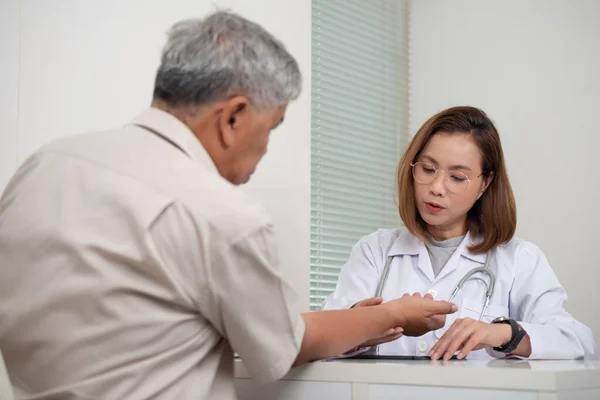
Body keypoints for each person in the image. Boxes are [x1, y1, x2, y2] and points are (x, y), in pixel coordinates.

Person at [0, 11, 458, 400]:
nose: (264, 149)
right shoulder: (219, 213)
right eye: (272, 127)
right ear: (234, 117)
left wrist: (357, 321)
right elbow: (284, 346)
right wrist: (393, 314)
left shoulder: (45, 165)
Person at [322, 106, 597, 361]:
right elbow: (325, 337)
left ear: (485, 183)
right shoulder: (376, 250)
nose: (437, 187)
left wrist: (502, 333)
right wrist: (385, 319)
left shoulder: (519, 260)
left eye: (457, 177)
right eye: (428, 169)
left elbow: (577, 342)